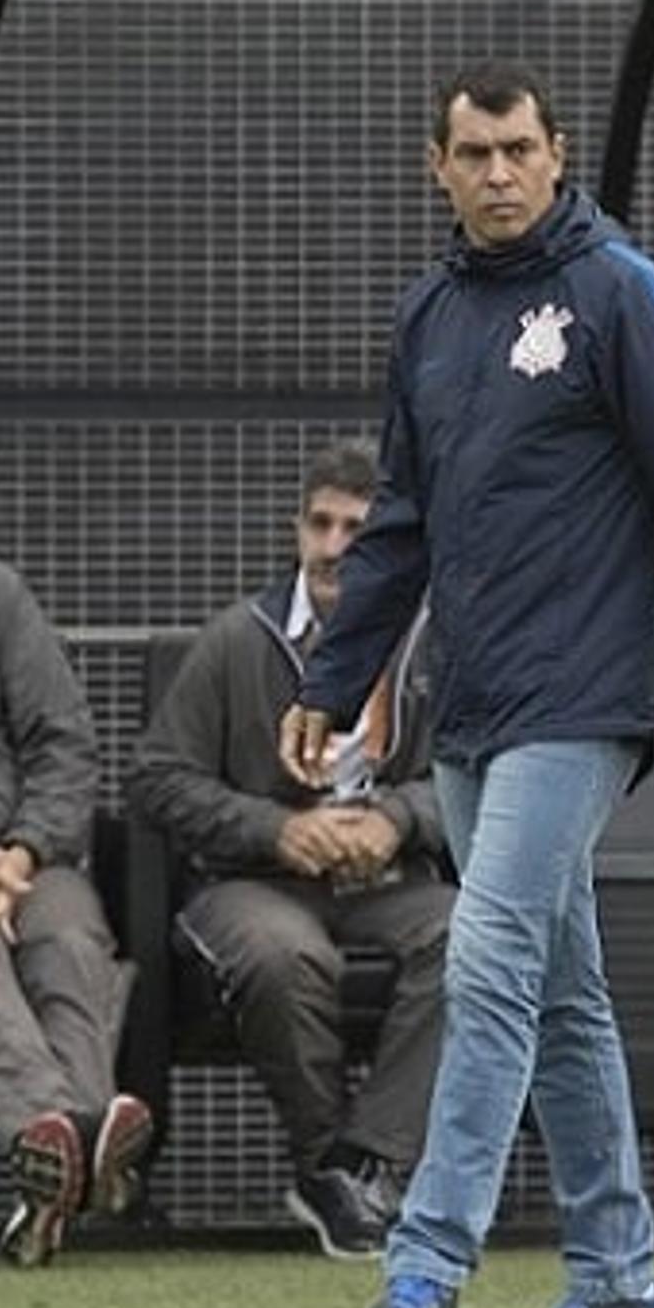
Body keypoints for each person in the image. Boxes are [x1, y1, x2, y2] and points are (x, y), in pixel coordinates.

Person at [278, 61, 654, 1308]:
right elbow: (399, 528)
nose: (498, 175)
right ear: (434, 169)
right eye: (473, 154)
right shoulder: (430, 316)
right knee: (562, 994)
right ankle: (619, 1280)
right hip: (471, 703)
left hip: (581, 698)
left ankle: (424, 1266)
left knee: (492, 961)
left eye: (518, 150)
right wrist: (332, 685)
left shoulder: (623, 291)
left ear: (557, 155)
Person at [128, 441, 453, 1261]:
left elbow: (479, 775)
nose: (336, 544)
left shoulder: (433, 641)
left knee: (474, 938)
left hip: (386, 874)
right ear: (297, 529)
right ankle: (321, 1165)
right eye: (321, 523)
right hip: (254, 882)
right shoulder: (239, 638)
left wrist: (397, 818)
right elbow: (158, 779)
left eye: (357, 527)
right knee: (284, 956)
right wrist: (274, 828)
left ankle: (363, 1165)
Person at [0, 551, 152, 1266]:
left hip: (25, 861)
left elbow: (65, 744)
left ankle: (56, 1168)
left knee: (68, 935)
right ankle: (63, 1133)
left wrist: (21, 854)